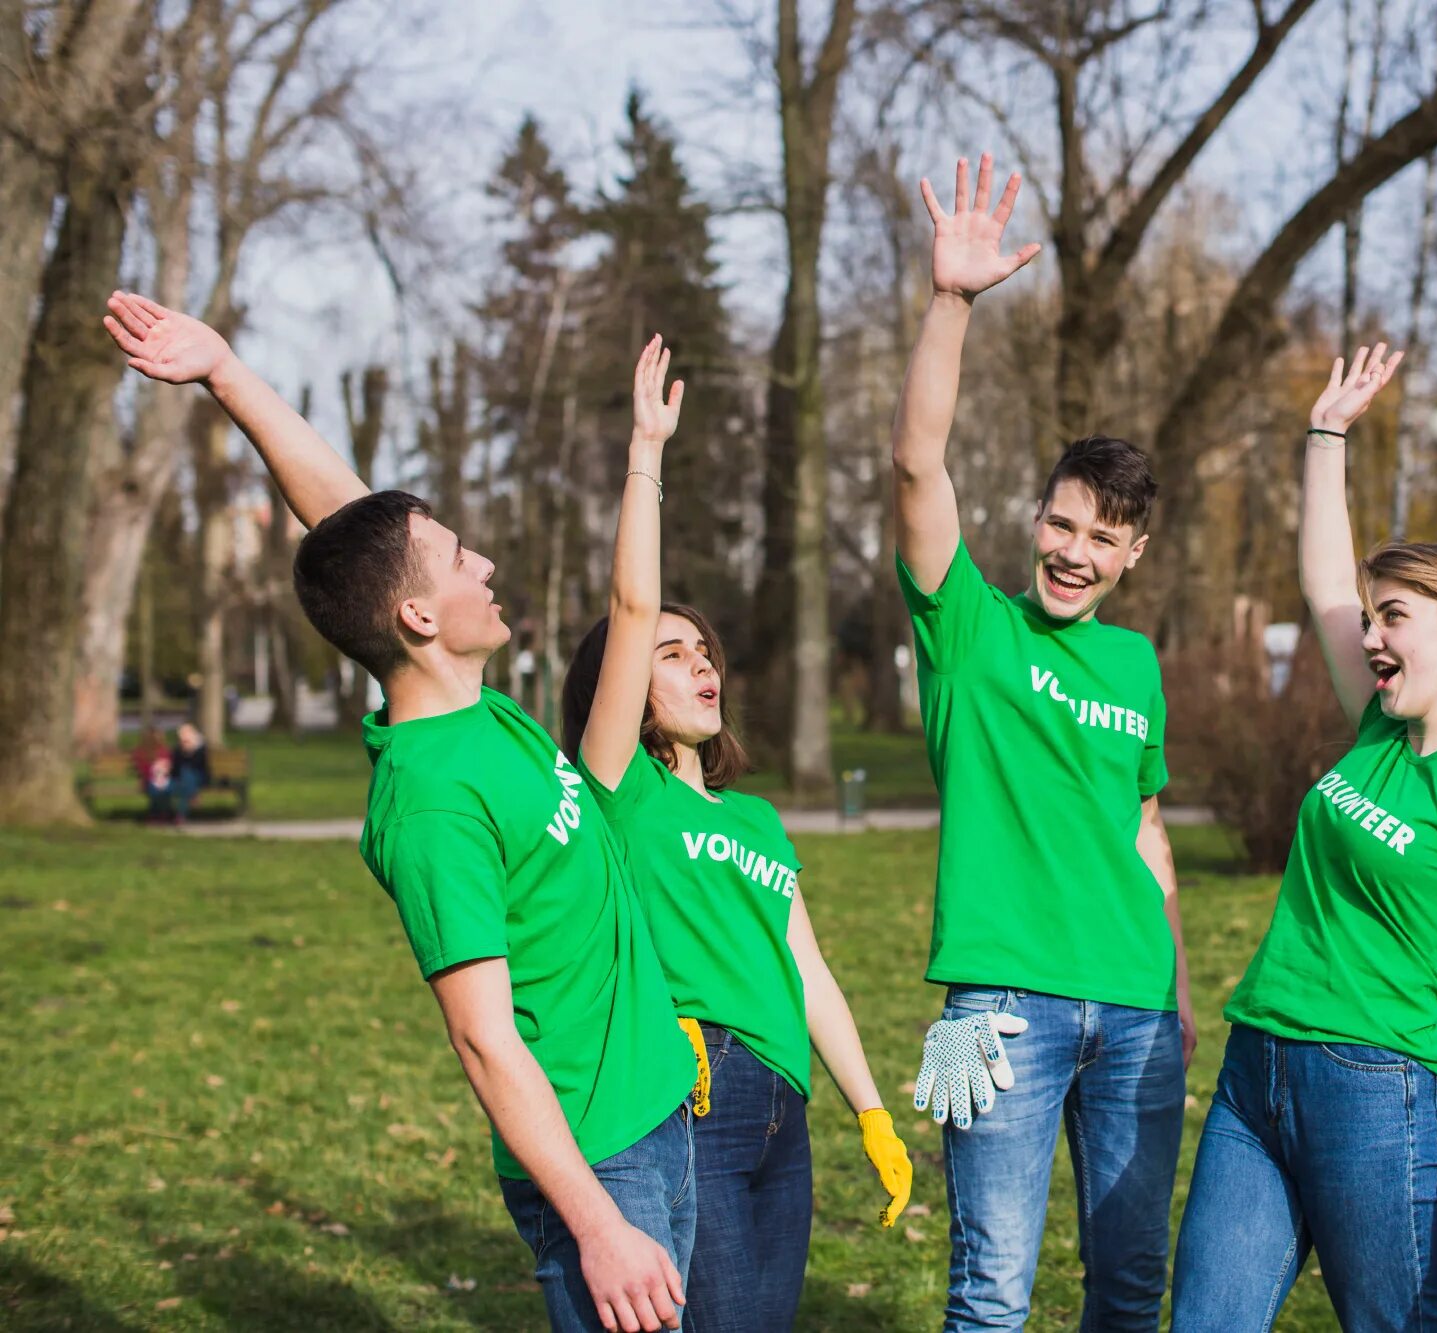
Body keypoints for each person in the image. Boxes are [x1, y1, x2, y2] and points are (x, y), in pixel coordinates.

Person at [103, 292, 700, 1333]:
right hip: (599, 1160)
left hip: (657, 1109)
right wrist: (597, 1224)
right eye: (464, 559)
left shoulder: (473, 710)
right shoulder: (429, 802)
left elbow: (351, 528)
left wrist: (228, 374)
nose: (487, 565)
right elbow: (482, 1042)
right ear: (421, 618)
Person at [1169, 348, 1437, 1331]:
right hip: (1256, 1068)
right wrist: (1324, 435)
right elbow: (1319, 586)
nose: (1372, 635)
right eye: (1373, 617)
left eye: (1395, 616)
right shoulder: (1376, 727)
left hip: (1375, 1091)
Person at [891, 153, 1193, 1331]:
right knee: (991, 1288)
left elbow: (1145, 828)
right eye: (1058, 523)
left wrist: (1174, 994)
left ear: (1132, 557)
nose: (1070, 551)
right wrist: (952, 303)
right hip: (1002, 1007)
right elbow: (919, 460)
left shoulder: (1135, 663)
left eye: (1099, 537)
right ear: (1035, 520)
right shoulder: (967, 626)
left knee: (1129, 1286)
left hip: (1135, 1012)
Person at [559, 338, 913, 1332]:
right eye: (671, 656)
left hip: (777, 1105)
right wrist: (646, 453)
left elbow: (804, 966)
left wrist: (871, 1108)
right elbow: (632, 603)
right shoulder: (617, 789)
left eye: (704, 651)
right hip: (690, 1088)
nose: (700, 664)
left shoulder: (754, 817)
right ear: (625, 687)